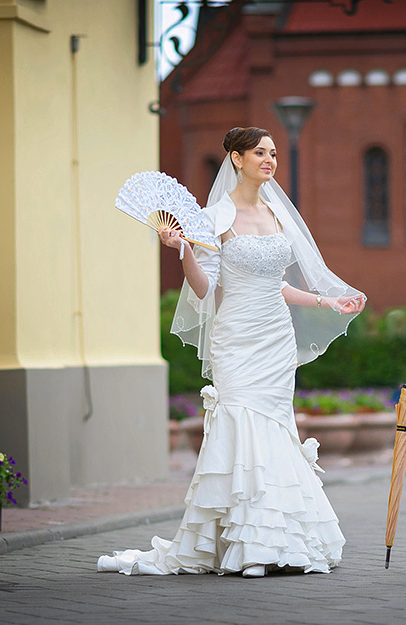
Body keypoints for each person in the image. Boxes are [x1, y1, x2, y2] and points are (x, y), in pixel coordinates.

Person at [98, 127, 366, 578]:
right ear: (236, 159)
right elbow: (205, 287)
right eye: (260, 152)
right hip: (237, 337)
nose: (270, 159)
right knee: (241, 422)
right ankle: (248, 547)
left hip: (276, 340)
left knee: (276, 428)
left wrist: (328, 301)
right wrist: (182, 248)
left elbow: (278, 285)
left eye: (274, 153)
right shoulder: (215, 216)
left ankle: (277, 541)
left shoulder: (276, 213)